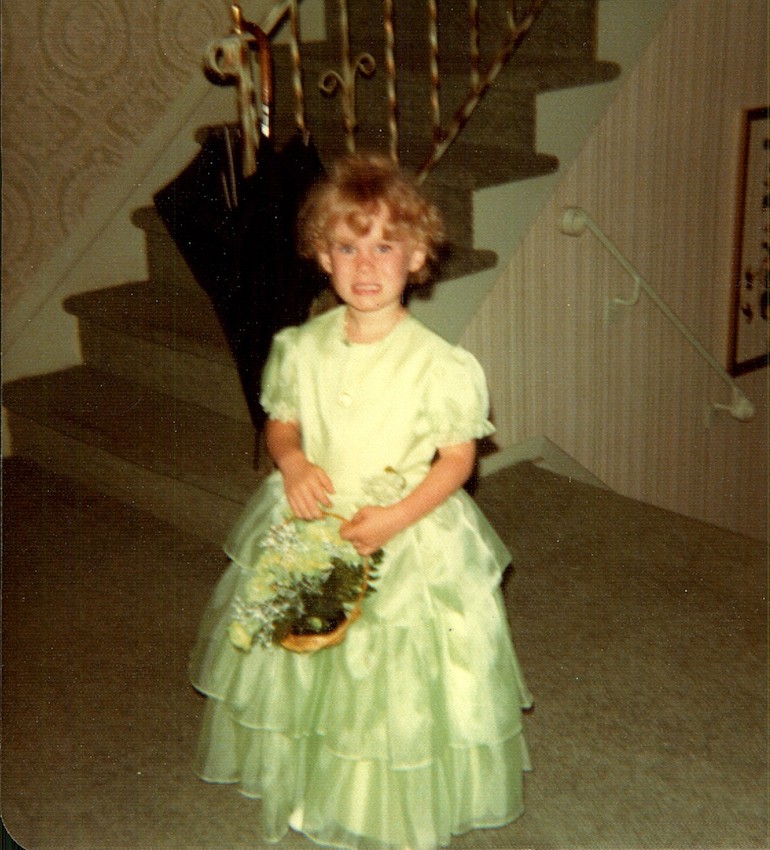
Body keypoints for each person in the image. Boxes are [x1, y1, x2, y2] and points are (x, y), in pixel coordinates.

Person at [189, 153, 532, 850]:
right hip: (313, 514)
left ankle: (383, 796)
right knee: (304, 658)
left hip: (405, 523)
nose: (365, 264)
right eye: (347, 246)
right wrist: (290, 462)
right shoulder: (299, 348)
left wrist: (399, 518)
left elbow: (457, 459)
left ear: (418, 258)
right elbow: (281, 420)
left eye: (385, 246)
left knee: (391, 667)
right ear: (322, 254)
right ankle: (311, 782)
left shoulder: (441, 365)